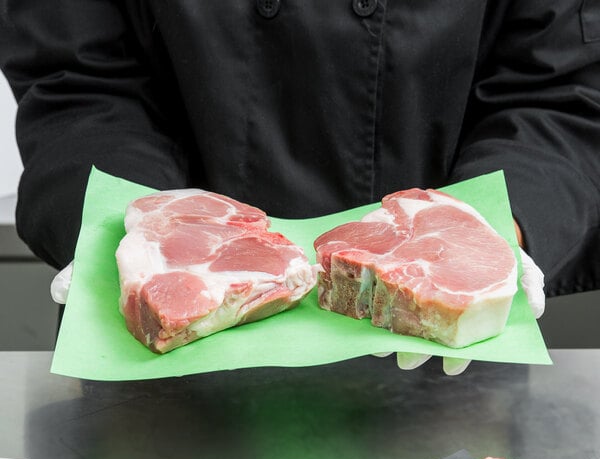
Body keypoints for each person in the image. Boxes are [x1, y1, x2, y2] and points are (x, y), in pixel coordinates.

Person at [0, 1, 598, 372]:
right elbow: (78, 78)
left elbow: (559, 87)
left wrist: (488, 236)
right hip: (163, 381)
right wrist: (129, 232)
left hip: (442, 360)